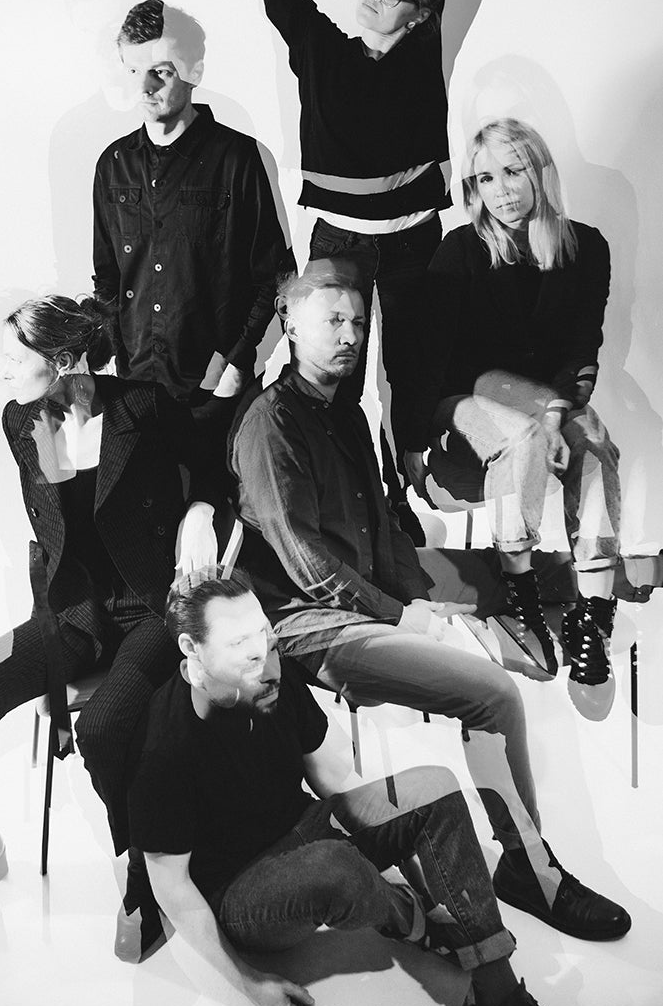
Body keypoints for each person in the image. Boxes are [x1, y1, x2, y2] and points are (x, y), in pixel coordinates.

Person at [228, 259, 631, 945]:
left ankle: (554, 626)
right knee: (493, 696)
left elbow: (384, 526)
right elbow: (305, 560)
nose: (349, 334)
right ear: (289, 325)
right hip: (310, 622)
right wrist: (400, 614)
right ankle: (529, 869)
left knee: (518, 581)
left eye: (358, 322)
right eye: (332, 320)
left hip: (371, 593)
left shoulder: (347, 413)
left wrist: (417, 600)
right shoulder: (270, 423)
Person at [132, 571, 602, 1006]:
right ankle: (414, 923)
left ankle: (499, 1001)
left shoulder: (275, 680)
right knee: (335, 868)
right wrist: (250, 985)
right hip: (242, 893)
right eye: (246, 655)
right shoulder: (164, 749)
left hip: (302, 829)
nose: (268, 667)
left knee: (435, 786)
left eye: (268, 643)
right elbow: (173, 890)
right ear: (193, 650)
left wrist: (407, 848)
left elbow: (334, 778)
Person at [0, 295, 224, 949]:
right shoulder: (18, 420)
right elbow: (50, 540)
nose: (5, 371)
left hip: (152, 609)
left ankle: (143, 867)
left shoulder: (141, 405)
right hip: (73, 615)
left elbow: (212, 466)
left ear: (62, 361)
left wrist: (201, 511)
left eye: (15, 359)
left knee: (107, 725)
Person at [209, 0, 480, 537]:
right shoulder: (318, 47)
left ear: (421, 13)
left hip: (415, 242)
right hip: (340, 243)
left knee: (413, 379)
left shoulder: (424, 51)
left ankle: (402, 498)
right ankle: (342, 503)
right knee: (331, 376)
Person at [403, 119, 622, 720]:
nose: (499, 190)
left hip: (548, 400)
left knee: (595, 440)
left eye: (512, 172)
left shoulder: (587, 247)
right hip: (466, 401)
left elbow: (582, 344)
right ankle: (521, 590)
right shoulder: (461, 250)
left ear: (539, 172)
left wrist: (555, 411)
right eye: (485, 178)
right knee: (522, 435)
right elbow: (427, 356)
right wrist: (413, 440)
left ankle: (593, 614)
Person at [91, 0, 294, 442]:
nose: (145, 87)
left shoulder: (239, 159)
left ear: (194, 71)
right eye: (134, 70)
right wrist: (116, 357)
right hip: (135, 386)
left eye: (161, 72)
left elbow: (275, 275)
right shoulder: (112, 164)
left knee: (215, 488)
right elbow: (107, 277)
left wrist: (238, 363)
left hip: (214, 389)